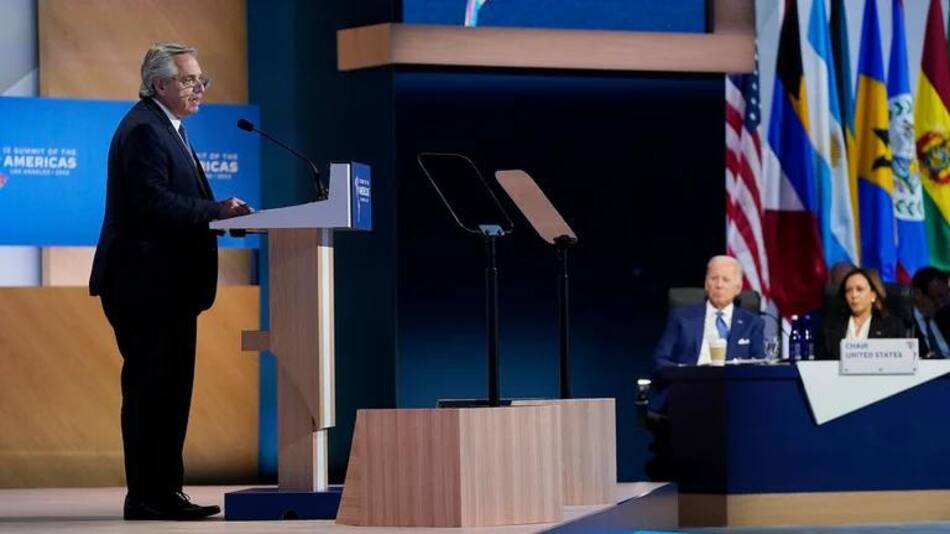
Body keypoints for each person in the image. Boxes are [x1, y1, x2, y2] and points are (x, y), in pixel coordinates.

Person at [89, 43, 252, 520]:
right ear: (159, 84)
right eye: (188, 80)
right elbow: (152, 204)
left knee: (170, 392)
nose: (198, 87)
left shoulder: (167, 128)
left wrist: (220, 217)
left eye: (202, 79)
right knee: (151, 392)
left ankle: (165, 492)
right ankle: (146, 495)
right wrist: (214, 211)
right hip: (144, 286)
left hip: (168, 287)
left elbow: (172, 202)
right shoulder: (144, 130)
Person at [643, 255, 764, 480]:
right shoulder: (681, 317)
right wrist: (689, 376)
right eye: (714, 278)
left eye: (726, 280)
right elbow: (659, 362)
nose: (719, 284)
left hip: (732, 397)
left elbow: (759, 365)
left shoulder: (752, 323)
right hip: (686, 394)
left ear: (738, 287)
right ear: (706, 284)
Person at [819, 268, 905, 359]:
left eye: (859, 289)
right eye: (848, 290)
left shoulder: (893, 326)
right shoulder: (830, 326)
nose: (854, 295)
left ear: (873, 295)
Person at [912, 267, 950, 358]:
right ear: (918, 294)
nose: (941, 305)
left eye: (946, 298)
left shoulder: (946, 315)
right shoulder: (904, 323)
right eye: (937, 297)